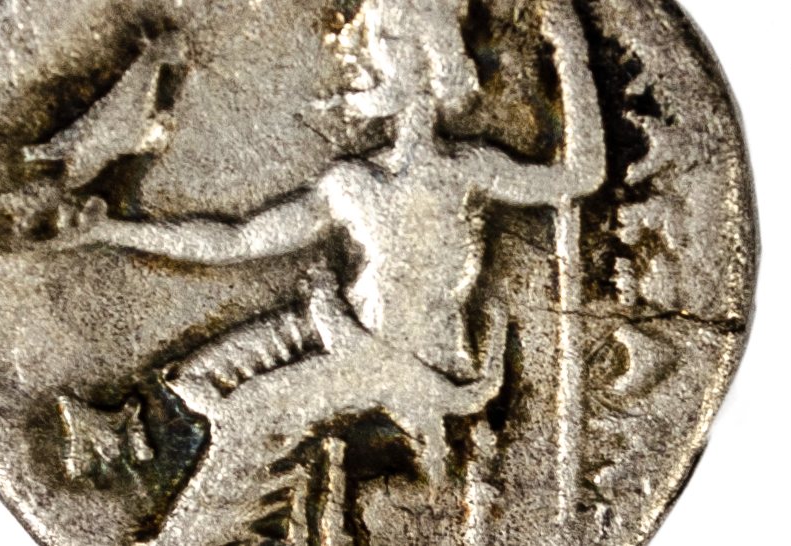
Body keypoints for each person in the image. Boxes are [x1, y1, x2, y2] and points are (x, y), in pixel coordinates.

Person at [30, 0, 605, 542]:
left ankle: (191, 535)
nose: (360, 63)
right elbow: (236, 239)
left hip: (409, 360)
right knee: (199, 380)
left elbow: (581, 178)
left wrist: (573, 57)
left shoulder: (467, 171)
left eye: (380, 47)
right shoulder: (350, 183)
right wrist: (113, 231)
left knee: (249, 413)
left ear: (424, 66)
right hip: (346, 338)